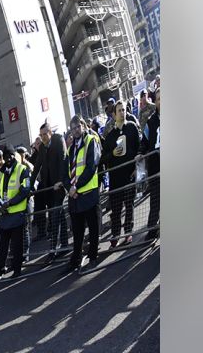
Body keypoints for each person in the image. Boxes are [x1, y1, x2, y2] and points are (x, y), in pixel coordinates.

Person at [66, 115, 103, 273]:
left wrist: (76, 186)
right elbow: (65, 171)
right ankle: (76, 259)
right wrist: (70, 188)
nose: (75, 130)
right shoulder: (71, 147)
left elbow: (91, 167)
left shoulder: (90, 141)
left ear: (83, 125)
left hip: (88, 193)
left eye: (77, 127)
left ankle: (93, 257)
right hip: (75, 197)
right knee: (77, 231)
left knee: (93, 228)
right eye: (73, 128)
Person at [0, 148, 32, 282]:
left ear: (13, 157)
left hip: (17, 214)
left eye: (8, 157)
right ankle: (0, 268)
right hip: (5, 215)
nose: (6, 160)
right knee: (3, 246)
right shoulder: (1, 173)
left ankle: (17, 269)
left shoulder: (22, 169)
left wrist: (10, 203)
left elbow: (25, 190)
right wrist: (1, 204)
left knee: (17, 245)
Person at [101, 107, 141, 247]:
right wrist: (112, 153)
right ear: (114, 115)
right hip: (115, 179)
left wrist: (137, 168)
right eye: (119, 110)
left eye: (124, 109)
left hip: (130, 175)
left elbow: (139, 149)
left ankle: (128, 232)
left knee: (129, 206)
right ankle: (116, 234)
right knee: (116, 209)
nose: (122, 112)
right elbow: (103, 158)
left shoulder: (132, 128)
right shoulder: (110, 135)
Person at [31, 121, 70, 253]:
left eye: (44, 134)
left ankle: (53, 248)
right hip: (48, 188)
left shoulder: (58, 140)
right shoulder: (42, 147)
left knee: (54, 216)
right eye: (40, 135)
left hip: (59, 186)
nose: (43, 137)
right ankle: (64, 245)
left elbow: (64, 160)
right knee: (60, 216)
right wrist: (30, 185)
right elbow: (37, 166)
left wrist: (60, 181)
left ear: (50, 133)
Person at [142, 90, 161, 241]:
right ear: (156, 102)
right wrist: (140, 152)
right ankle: (152, 230)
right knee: (155, 200)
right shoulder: (151, 121)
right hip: (156, 167)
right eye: (160, 99)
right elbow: (145, 141)